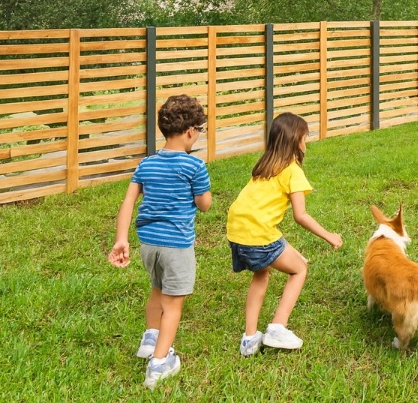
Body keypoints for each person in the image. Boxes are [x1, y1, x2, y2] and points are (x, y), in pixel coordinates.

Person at [108, 94, 213, 389]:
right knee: (173, 303)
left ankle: (150, 339)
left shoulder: (146, 164)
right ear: (191, 131)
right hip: (177, 246)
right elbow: (205, 204)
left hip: (148, 245)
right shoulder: (195, 166)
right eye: (200, 130)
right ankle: (159, 363)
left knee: (157, 291)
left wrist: (121, 239)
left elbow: (128, 202)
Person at [227, 112, 343, 356]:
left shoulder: (264, 167)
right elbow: (301, 215)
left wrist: (290, 250)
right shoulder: (292, 171)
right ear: (296, 139)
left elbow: (258, 215)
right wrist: (329, 235)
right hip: (259, 234)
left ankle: (249, 339)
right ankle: (278, 327)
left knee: (261, 273)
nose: (306, 140)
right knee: (299, 268)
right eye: (305, 136)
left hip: (237, 231)